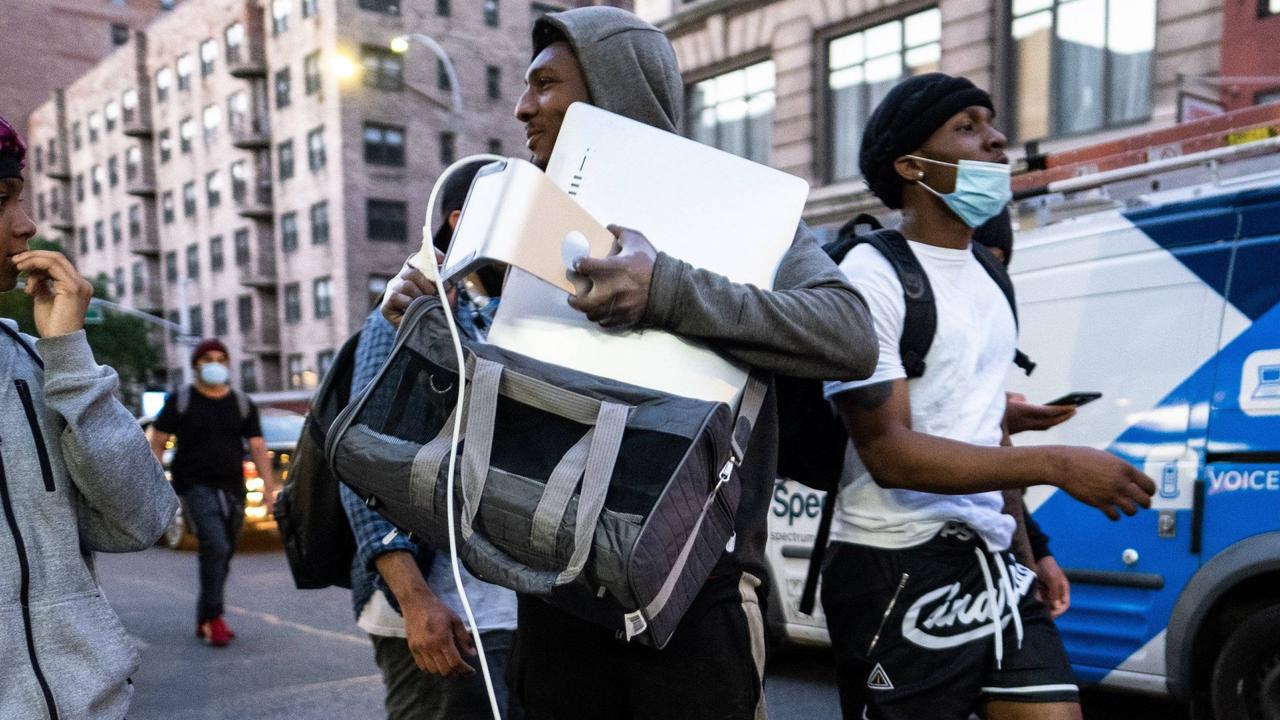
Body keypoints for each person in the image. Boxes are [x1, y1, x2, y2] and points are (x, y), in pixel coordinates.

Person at [380, 8, 878, 719]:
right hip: (551, 597)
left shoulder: (742, 212)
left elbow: (850, 332)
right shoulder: (525, 223)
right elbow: (481, 423)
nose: (523, 107)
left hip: (694, 599)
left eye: (545, 84)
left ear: (615, 88)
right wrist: (433, 329)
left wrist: (667, 290)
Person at [818, 73, 1156, 720]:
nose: (996, 138)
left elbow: (977, 424)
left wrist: (1032, 552)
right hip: (896, 564)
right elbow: (889, 451)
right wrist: (1058, 463)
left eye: (991, 122)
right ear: (912, 166)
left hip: (996, 563)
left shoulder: (990, 277)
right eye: (967, 127)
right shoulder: (871, 275)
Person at [0, 112, 178, 719]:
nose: (27, 226)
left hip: (88, 706)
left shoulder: (34, 362)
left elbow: (141, 520)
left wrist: (69, 360)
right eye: (3, 202)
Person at [339, 159, 520, 720]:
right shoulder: (410, 311)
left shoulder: (493, 317)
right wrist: (416, 601)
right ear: (465, 222)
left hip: (505, 607)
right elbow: (365, 460)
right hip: (441, 608)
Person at [974, 209, 1071, 619]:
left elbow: (1001, 482)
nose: (993, 273)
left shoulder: (986, 329)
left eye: (1000, 261)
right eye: (984, 256)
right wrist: (1055, 464)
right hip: (948, 570)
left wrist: (1040, 554)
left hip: (1008, 570)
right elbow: (900, 454)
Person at [147, 338, 275, 647]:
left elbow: (257, 447)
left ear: (227, 364)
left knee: (225, 551)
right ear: (195, 366)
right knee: (215, 546)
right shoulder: (182, 400)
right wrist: (152, 482)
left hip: (233, 488)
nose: (214, 364)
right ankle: (214, 618)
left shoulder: (241, 403)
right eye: (207, 359)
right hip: (194, 486)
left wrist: (270, 491)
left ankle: (206, 615)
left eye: (220, 358)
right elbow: (158, 440)